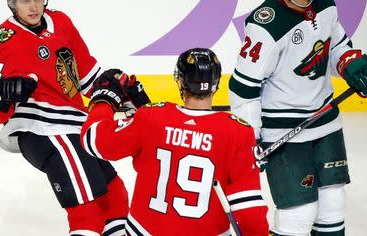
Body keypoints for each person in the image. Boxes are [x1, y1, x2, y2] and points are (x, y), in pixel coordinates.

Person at [229, 0, 367, 236]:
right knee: (298, 213)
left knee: (333, 203)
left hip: (326, 121)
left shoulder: (325, 2)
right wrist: (250, 137)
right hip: (283, 130)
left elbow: (336, 47)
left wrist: (349, 64)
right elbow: (243, 86)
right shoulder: (266, 24)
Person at [0, 0, 129, 236]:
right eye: (25, 1)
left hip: (74, 127)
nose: (34, 7)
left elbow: (86, 76)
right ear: (11, 2)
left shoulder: (61, 22)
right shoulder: (6, 39)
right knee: (88, 211)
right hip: (43, 130)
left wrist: (119, 91)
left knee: (115, 196)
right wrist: (3, 95)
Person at [80, 48, 269, 235]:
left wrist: (104, 99)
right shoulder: (238, 132)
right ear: (216, 82)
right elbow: (249, 212)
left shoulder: (150, 118)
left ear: (180, 81)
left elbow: (94, 140)